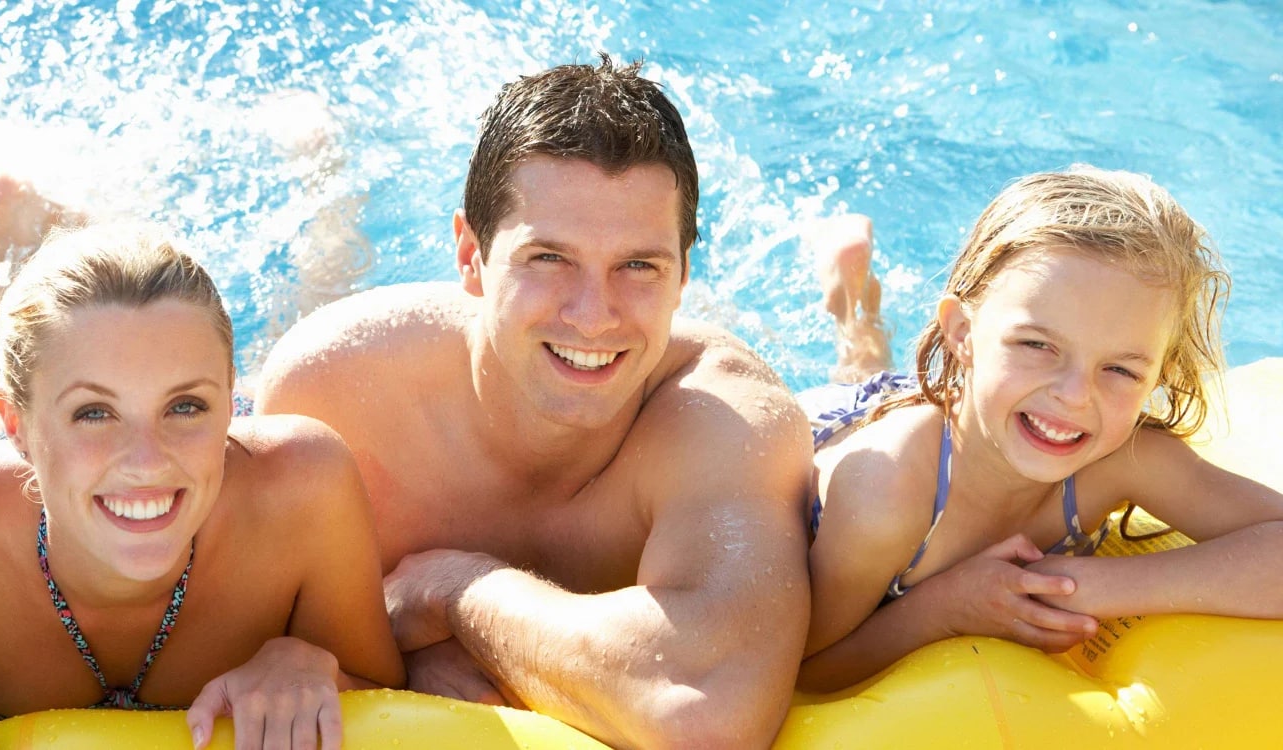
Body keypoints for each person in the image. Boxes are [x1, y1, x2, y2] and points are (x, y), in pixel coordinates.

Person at [255, 56, 814, 748]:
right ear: (470, 254)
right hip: (375, 339)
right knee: (319, 279)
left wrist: (455, 589)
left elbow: (704, 717)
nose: (593, 314)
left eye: (639, 266)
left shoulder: (724, 422)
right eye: (549, 259)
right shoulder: (337, 392)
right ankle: (327, 192)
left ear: (683, 276)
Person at [0, 223, 405, 750]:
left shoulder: (306, 492)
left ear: (229, 402)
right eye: (94, 413)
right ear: (18, 427)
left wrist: (313, 668)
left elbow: (394, 702)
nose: (147, 463)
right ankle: (3, 222)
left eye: (186, 406)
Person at [796, 167, 1283, 692]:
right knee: (864, 381)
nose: (1075, 396)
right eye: (1037, 344)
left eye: (1120, 370)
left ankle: (855, 307)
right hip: (847, 436)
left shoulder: (1121, 457)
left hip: (973, 400)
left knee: (873, 369)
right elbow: (805, 668)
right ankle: (849, 305)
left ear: (1156, 378)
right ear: (963, 331)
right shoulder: (884, 496)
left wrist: (1092, 587)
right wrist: (941, 609)